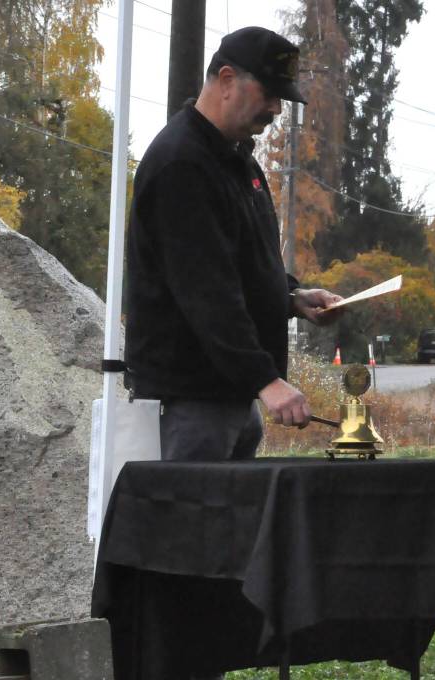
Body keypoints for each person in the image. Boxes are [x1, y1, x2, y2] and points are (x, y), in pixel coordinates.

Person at [124, 25, 343, 469]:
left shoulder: (237, 161)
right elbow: (206, 292)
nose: (276, 109)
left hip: (230, 397)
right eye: (268, 93)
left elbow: (242, 265)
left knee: (228, 533)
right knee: (192, 531)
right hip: (190, 399)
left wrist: (291, 297)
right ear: (227, 80)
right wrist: (267, 381)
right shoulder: (182, 164)